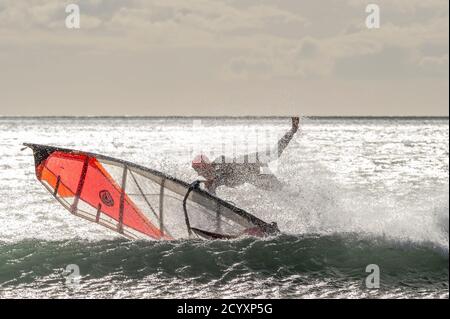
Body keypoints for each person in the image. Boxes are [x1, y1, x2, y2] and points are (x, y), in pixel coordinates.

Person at [192, 117, 300, 194]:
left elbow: (227, 168)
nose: (200, 173)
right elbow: (212, 198)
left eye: (201, 169)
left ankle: (293, 130)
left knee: (274, 154)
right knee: (281, 190)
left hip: (251, 161)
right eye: (197, 170)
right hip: (252, 177)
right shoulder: (211, 182)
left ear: (207, 165)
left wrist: (213, 179)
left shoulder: (220, 161)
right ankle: (299, 193)